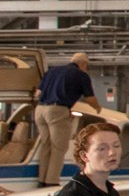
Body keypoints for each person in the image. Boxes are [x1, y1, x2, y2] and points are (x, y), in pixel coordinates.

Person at [31, 51, 104, 184]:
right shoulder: (81, 75)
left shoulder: (51, 71)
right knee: (59, 147)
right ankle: (51, 182)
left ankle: (42, 180)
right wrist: (98, 108)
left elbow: (38, 93)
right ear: (83, 63)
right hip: (57, 110)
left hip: (40, 110)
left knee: (46, 145)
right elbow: (90, 98)